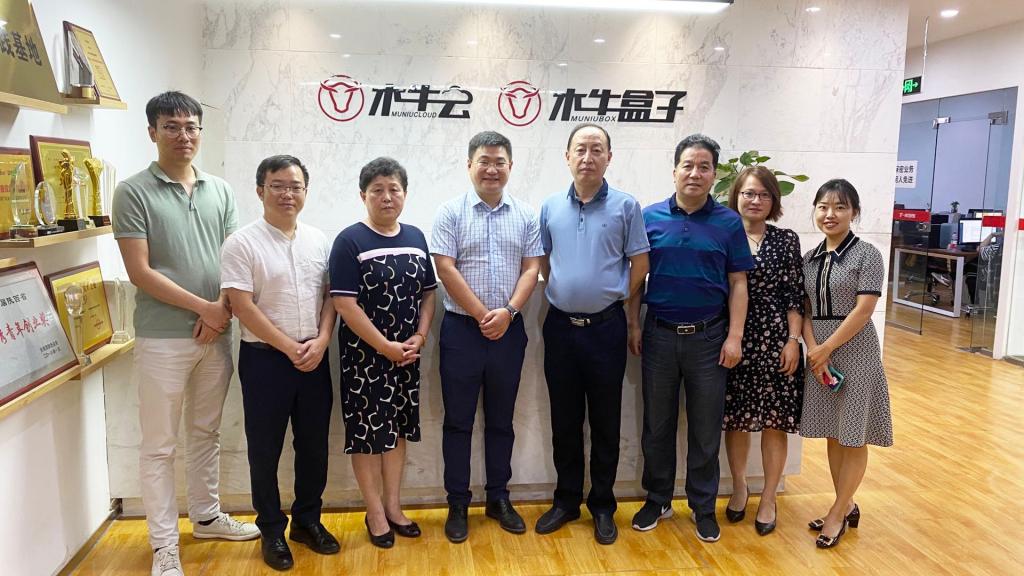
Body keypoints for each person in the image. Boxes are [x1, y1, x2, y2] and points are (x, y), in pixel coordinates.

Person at [112, 91, 259, 576]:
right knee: (159, 446)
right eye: (172, 126)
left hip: (215, 334)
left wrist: (222, 310)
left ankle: (207, 517)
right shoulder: (133, 192)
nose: (184, 135)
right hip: (163, 338)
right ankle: (163, 546)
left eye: (191, 126)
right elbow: (140, 272)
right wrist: (207, 309)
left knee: (205, 433)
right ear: (152, 132)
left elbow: (234, 259)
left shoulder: (220, 190)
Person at [628, 134, 753, 544]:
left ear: (714, 175)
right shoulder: (649, 217)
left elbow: (738, 283)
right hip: (659, 335)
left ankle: (702, 506)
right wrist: (633, 325)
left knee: (704, 428)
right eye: (688, 165)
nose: (695, 173)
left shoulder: (729, 223)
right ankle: (658, 499)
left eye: (704, 167)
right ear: (675, 171)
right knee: (657, 425)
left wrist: (735, 337)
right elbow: (636, 278)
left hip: (709, 339)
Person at [220, 155, 339, 570]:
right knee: (264, 449)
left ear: (305, 191)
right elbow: (242, 306)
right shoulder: (241, 243)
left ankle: (307, 521)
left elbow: (330, 297)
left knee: (314, 446)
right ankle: (271, 529)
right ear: (260, 191)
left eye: (295, 186)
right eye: (278, 185)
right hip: (265, 361)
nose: (287, 193)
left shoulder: (319, 241)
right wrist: (290, 347)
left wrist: (323, 339)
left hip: (315, 357)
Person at [535, 124, 650, 545]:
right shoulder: (550, 206)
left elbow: (640, 264)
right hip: (560, 328)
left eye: (596, 149)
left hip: (606, 328)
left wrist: (618, 297)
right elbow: (543, 260)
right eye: (580, 149)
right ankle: (566, 501)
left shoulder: (626, 206)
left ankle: (602, 505)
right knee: (564, 421)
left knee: (605, 421)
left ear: (609, 158)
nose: (588, 157)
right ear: (567, 156)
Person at [430, 132, 543, 543]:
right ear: (469, 165)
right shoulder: (450, 212)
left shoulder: (526, 214)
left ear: (510, 167)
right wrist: (483, 315)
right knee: (458, 423)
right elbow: (445, 267)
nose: (491, 169)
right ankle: (458, 503)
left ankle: (498, 498)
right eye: (484, 161)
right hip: (462, 331)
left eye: (499, 162)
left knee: (501, 421)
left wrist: (508, 312)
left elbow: (532, 268)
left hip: (508, 332)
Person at [330, 157, 437, 549]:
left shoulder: (416, 237)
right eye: (377, 190)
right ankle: (374, 512)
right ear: (363, 196)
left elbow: (429, 293)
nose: (387, 197)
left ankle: (393, 506)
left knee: (397, 430)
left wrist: (420, 336)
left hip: (406, 356)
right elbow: (344, 305)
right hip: (365, 358)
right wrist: (385, 347)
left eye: (394, 189)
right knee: (367, 436)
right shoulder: (349, 241)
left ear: (405, 194)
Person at [800, 178, 893, 549]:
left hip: (856, 350)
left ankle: (837, 512)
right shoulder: (809, 259)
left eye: (840, 207)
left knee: (853, 434)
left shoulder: (868, 255)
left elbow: (864, 310)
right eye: (823, 206)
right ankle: (847, 503)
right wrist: (814, 349)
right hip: (819, 352)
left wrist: (826, 348)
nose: (830, 214)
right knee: (833, 431)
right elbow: (805, 310)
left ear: (854, 212)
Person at [720, 166, 805, 536]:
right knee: (736, 419)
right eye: (748, 193)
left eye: (763, 194)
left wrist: (793, 340)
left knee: (774, 421)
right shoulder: (723, 234)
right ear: (736, 196)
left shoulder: (785, 240)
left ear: (773, 200)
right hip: (732, 338)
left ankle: (769, 496)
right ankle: (740, 486)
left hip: (775, 340)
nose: (755, 200)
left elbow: (794, 294)